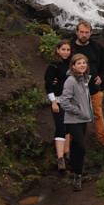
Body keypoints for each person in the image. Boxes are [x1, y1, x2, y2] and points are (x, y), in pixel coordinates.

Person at [70, 20, 104, 149]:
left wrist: (102, 76)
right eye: (81, 32)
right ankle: (75, 142)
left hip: (94, 88)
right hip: (75, 89)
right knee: (76, 115)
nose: (84, 35)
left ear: (91, 33)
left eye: (86, 32)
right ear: (76, 32)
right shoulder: (70, 47)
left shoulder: (96, 47)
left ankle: (103, 139)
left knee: (97, 114)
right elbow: (62, 64)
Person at [58, 53, 93, 191]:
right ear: (73, 66)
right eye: (79, 63)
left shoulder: (84, 78)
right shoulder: (71, 81)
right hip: (73, 120)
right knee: (81, 147)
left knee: (77, 147)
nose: (82, 65)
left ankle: (76, 172)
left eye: (84, 63)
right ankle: (77, 175)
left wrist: (86, 112)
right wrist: (78, 111)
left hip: (83, 119)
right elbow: (63, 101)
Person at [44, 39, 72, 172]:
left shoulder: (71, 64)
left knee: (68, 127)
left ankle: (67, 153)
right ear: (57, 50)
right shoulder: (53, 66)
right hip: (58, 100)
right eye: (63, 49)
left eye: (68, 50)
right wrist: (53, 101)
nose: (66, 52)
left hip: (70, 101)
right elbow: (48, 85)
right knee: (60, 126)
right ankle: (60, 158)